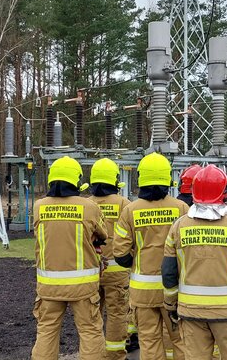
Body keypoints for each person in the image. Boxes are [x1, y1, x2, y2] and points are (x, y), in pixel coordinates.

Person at [161, 165, 227, 359]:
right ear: (223, 193)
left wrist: (171, 305)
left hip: (191, 314)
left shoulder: (178, 226)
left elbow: (168, 272)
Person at [113, 152, 190, 360]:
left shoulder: (130, 210)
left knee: (149, 342)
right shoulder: (181, 208)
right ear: (168, 178)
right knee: (180, 340)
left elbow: (119, 253)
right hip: (174, 290)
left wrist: (136, 263)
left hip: (142, 292)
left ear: (141, 178)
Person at [30, 156, 108, 359]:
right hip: (83, 286)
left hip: (48, 286)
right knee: (90, 331)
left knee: (46, 331)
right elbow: (104, 234)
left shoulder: (39, 206)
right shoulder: (89, 206)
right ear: (77, 180)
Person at [86, 158, 132, 360]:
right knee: (117, 315)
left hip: (92, 271)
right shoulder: (124, 204)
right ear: (115, 180)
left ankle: (93, 355)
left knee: (92, 317)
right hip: (117, 273)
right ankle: (115, 356)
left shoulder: (86, 204)